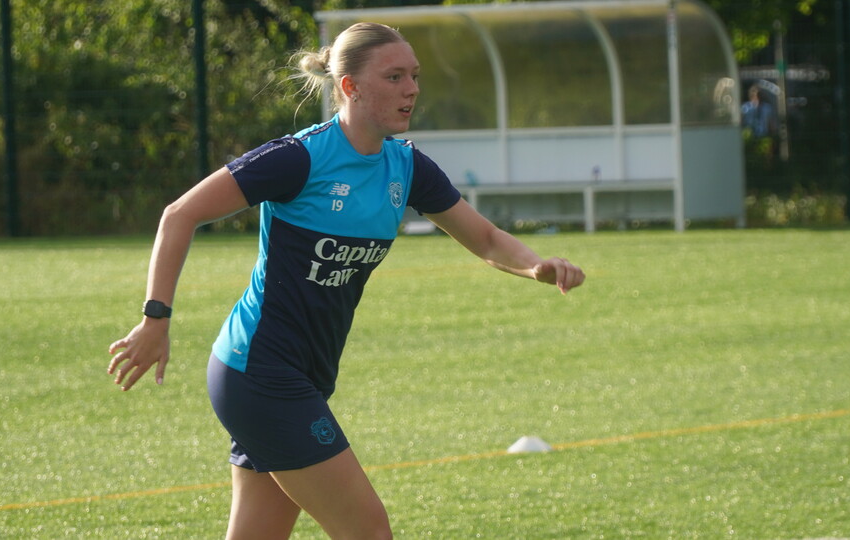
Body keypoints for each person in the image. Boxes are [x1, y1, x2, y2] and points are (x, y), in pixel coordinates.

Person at [107, 22, 584, 539]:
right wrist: (155, 319)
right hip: (261, 373)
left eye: (415, 76)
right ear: (350, 87)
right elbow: (179, 214)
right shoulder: (300, 158)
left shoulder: (407, 169)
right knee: (368, 530)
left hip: (300, 376)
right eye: (395, 76)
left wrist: (534, 264)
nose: (412, 89)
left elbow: (487, 240)